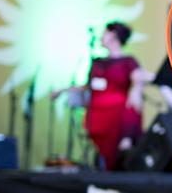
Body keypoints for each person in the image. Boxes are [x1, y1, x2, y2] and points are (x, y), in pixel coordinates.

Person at [55, 22, 153, 170]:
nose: (102, 36)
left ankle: (124, 147)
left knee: (129, 107)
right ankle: (114, 159)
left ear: (113, 36)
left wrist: (137, 88)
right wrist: (62, 90)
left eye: (105, 33)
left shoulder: (128, 61)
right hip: (97, 111)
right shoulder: (97, 62)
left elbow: (139, 78)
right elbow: (87, 86)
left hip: (117, 111)